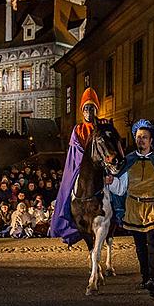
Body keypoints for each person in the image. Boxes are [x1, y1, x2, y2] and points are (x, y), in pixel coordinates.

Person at [109, 119, 154, 297]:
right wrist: (111, 182)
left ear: (151, 140)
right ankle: (145, 277)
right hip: (134, 209)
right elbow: (121, 187)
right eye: (139, 137)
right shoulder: (129, 161)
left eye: (145, 137)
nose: (141, 140)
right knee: (140, 247)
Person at [50, 87, 101, 245]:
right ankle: (68, 221)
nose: (88, 111)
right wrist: (86, 161)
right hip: (81, 166)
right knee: (69, 188)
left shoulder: (101, 126)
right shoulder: (78, 129)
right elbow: (76, 149)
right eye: (86, 108)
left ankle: (118, 216)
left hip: (99, 166)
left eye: (91, 108)